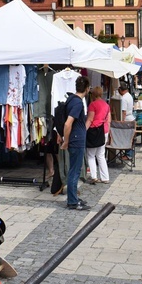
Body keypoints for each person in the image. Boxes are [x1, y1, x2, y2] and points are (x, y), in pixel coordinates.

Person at [60, 76, 90, 210]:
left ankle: (74, 198)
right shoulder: (77, 103)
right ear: (87, 89)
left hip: (75, 138)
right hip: (76, 140)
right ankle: (72, 201)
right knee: (75, 171)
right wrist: (66, 141)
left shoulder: (71, 99)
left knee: (74, 170)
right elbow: (68, 123)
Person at [85, 86, 110, 184]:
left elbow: (90, 119)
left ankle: (94, 176)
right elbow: (109, 120)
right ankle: (105, 177)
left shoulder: (93, 105)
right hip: (104, 130)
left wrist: (84, 130)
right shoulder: (106, 105)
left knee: (91, 155)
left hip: (94, 131)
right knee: (101, 155)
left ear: (93, 94)